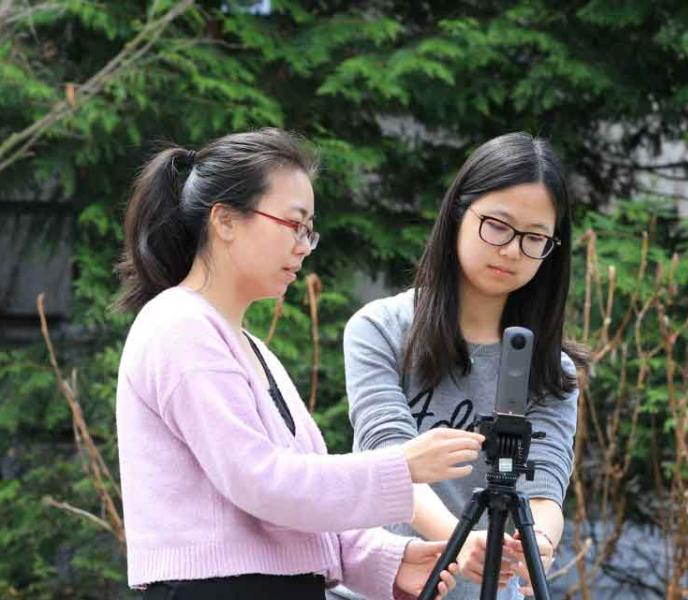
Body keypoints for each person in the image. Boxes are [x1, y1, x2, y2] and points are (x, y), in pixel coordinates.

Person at [114, 128, 483, 599]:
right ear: (225, 220)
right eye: (293, 225)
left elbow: (299, 497)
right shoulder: (179, 325)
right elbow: (261, 482)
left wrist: (387, 559)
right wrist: (401, 465)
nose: (304, 246)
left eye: (309, 231)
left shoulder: (248, 347)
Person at [341, 132, 585, 599]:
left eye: (534, 238)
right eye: (497, 226)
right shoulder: (380, 329)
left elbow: (545, 485)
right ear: (458, 213)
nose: (512, 250)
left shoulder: (551, 370)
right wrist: (461, 541)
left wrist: (539, 541)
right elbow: (389, 457)